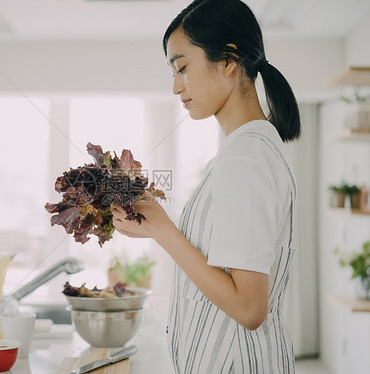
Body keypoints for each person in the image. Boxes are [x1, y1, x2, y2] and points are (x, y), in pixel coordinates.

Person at [109, 0, 301, 372]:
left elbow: (249, 309)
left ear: (228, 60)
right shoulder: (245, 149)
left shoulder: (245, 156)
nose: (176, 86)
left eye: (181, 67)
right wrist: (155, 227)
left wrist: (163, 230)